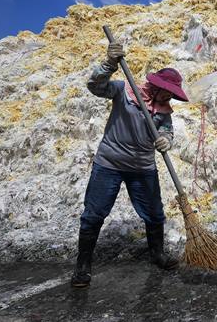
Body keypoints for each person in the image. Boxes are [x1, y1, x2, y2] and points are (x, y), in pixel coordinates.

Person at [71, 40, 188, 288]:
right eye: (166, 91)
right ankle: (83, 266)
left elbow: (167, 132)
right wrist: (109, 64)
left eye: (172, 94)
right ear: (155, 86)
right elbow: (95, 86)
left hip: (143, 168)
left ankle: (157, 254)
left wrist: (166, 140)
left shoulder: (164, 112)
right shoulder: (125, 91)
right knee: (93, 214)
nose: (169, 97)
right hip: (109, 163)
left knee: (155, 214)